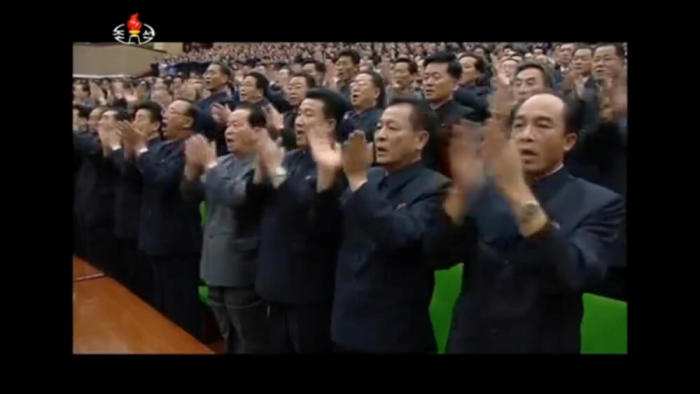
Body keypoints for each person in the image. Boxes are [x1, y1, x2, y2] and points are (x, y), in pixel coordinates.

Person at [425, 90, 625, 353]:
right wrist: (462, 192)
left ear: (568, 141)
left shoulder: (599, 202)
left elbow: (574, 273)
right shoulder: (486, 191)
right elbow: (438, 255)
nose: (526, 135)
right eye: (519, 125)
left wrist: (517, 190)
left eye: (542, 125)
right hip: (472, 340)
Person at [309, 97, 450, 353]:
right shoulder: (371, 177)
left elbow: (398, 236)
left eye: (392, 128)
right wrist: (326, 176)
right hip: (346, 321)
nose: (381, 135)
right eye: (380, 127)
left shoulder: (435, 188)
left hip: (393, 332)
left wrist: (358, 181)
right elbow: (325, 231)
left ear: (420, 140)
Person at [247, 88, 345, 353]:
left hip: (308, 289)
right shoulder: (291, 157)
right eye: (299, 113)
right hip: (275, 281)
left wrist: (277, 173)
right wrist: (260, 170)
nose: (299, 121)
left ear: (330, 124)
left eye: (309, 114)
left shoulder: (338, 164)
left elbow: (308, 213)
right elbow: (253, 207)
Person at [181, 103, 271, 353]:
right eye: (228, 124)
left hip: (242, 265)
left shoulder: (262, 166)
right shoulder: (221, 161)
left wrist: (210, 167)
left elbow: (238, 198)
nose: (229, 131)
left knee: (249, 337)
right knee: (227, 335)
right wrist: (192, 167)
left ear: (257, 130)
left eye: (237, 125)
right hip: (213, 261)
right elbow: (190, 194)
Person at [119, 99, 204, 338]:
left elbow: (163, 181)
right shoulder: (163, 147)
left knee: (180, 308)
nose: (165, 116)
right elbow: (133, 178)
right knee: (160, 305)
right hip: (154, 237)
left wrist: (141, 149)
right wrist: (130, 150)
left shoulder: (191, 146)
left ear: (188, 121)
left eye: (173, 112)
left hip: (177, 241)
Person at [106, 101, 163, 303]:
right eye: (134, 118)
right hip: (127, 221)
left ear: (156, 125)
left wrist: (123, 148)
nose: (134, 123)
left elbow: (141, 176)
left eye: (141, 118)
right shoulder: (134, 148)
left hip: (143, 225)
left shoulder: (157, 150)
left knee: (145, 287)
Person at [73, 106, 119, 275]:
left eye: (105, 119)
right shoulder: (87, 140)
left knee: (102, 270)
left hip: (103, 219)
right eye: (96, 119)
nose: (99, 122)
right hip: (82, 215)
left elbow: (96, 151)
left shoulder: (114, 147)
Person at [421, 51, 478, 174]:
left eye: (436, 77)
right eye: (426, 78)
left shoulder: (465, 116)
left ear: (455, 84)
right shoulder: (416, 113)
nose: (429, 83)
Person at [196, 62, 235, 157]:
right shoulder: (201, 102)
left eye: (212, 73)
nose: (207, 76)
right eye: (206, 73)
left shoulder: (226, 102)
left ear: (225, 78)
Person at [338, 70, 385, 142]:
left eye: (361, 84)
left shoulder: (381, 119)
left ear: (376, 92)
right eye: (353, 84)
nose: (355, 88)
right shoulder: (346, 115)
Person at [280, 72, 316, 150]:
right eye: (290, 88)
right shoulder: (287, 115)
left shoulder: (317, 115)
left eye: (298, 87)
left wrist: (280, 129)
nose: (292, 92)